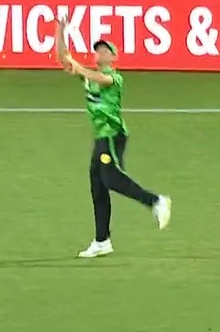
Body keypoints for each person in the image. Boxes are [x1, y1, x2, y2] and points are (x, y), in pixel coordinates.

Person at [54, 15, 172, 259]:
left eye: (104, 50)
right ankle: (101, 240)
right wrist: (60, 30)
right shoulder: (89, 75)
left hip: (113, 135)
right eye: (97, 50)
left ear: (113, 56)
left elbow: (101, 79)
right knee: (97, 187)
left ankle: (156, 201)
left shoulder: (115, 77)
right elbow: (63, 59)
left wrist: (79, 68)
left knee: (109, 177)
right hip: (100, 137)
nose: (99, 53)